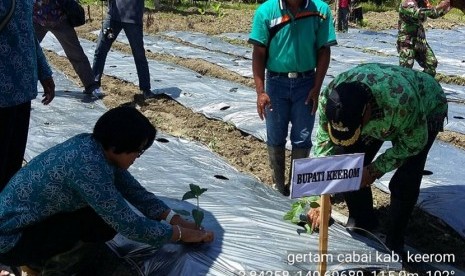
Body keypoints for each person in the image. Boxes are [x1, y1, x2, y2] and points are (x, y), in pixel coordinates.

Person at [0, 106, 214, 274]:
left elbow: (134, 191)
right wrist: (180, 234)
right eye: (137, 152)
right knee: (101, 223)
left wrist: (175, 219)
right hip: (10, 241)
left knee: (97, 218)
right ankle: (54, 269)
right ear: (117, 145)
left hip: (19, 226)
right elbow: (130, 225)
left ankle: (40, 259)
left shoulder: (93, 146)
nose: (137, 158)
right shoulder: (88, 168)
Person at [307, 63, 447, 259]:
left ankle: (394, 241)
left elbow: (413, 143)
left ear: (366, 114)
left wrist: (374, 170)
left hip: (424, 104)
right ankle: (363, 221)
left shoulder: (401, 104)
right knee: (348, 165)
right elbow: (323, 147)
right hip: (380, 108)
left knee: (405, 180)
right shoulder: (329, 99)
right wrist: (321, 198)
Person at [248, 0, 337, 196]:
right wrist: (260, 92)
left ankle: (299, 191)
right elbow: (259, 53)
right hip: (276, 84)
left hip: (306, 83)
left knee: (303, 138)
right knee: (275, 135)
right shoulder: (266, 12)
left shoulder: (320, 11)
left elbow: (324, 50)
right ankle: (279, 188)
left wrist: (317, 87)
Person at [0, 0, 55, 192]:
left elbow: (27, 33)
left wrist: (43, 71)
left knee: (12, 161)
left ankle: (5, 212)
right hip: (3, 92)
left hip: (21, 90)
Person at [33, 0, 103, 98]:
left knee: (76, 53)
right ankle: (20, 84)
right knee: (27, 52)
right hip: (37, 19)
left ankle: (91, 85)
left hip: (58, 19)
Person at [92, 0, 151, 99]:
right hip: (113, 18)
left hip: (133, 18)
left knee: (139, 54)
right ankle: (93, 84)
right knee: (101, 49)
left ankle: (146, 89)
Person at [397, 0, 451, 76]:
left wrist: (449, 6)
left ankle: (421, 84)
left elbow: (433, 14)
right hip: (407, 41)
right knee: (406, 69)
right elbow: (418, 13)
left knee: (431, 63)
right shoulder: (406, 2)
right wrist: (439, 6)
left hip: (419, 41)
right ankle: (403, 85)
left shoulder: (422, 2)